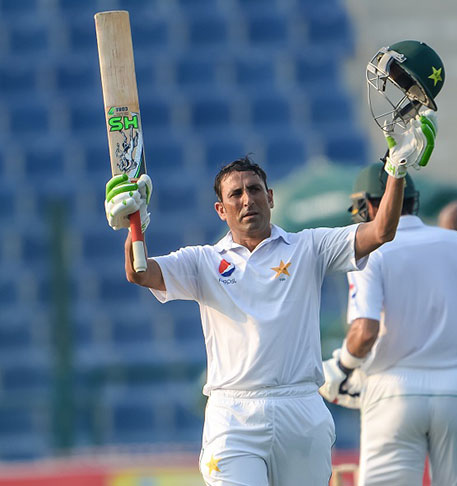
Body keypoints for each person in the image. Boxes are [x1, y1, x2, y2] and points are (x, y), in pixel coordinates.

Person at [101, 113, 437, 485]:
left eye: (255, 190)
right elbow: (139, 272)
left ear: (271, 197)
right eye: (236, 194)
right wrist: (133, 225)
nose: (248, 200)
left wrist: (396, 170)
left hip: (301, 410)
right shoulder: (203, 260)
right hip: (234, 415)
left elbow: (381, 231)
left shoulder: (308, 246)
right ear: (221, 209)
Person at [320, 162, 457, 486]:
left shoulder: (370, 251)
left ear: (370, 204)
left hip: (394, 390)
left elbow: (365, 331)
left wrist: (343, 365)